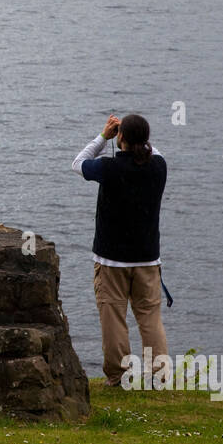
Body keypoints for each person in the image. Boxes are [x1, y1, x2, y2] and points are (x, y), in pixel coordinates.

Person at [72, 113, 168, 388]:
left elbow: (77, 164)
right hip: (147, 258)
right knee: (150, 318)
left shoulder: (109, 168)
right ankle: (159, 376)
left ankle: (120, 376)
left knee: (113, 316)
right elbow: (153, 150)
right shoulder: (159, 167)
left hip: (111, 259)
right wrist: (134, 134)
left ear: (121, 138)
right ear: (147, 140)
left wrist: (104, 136)